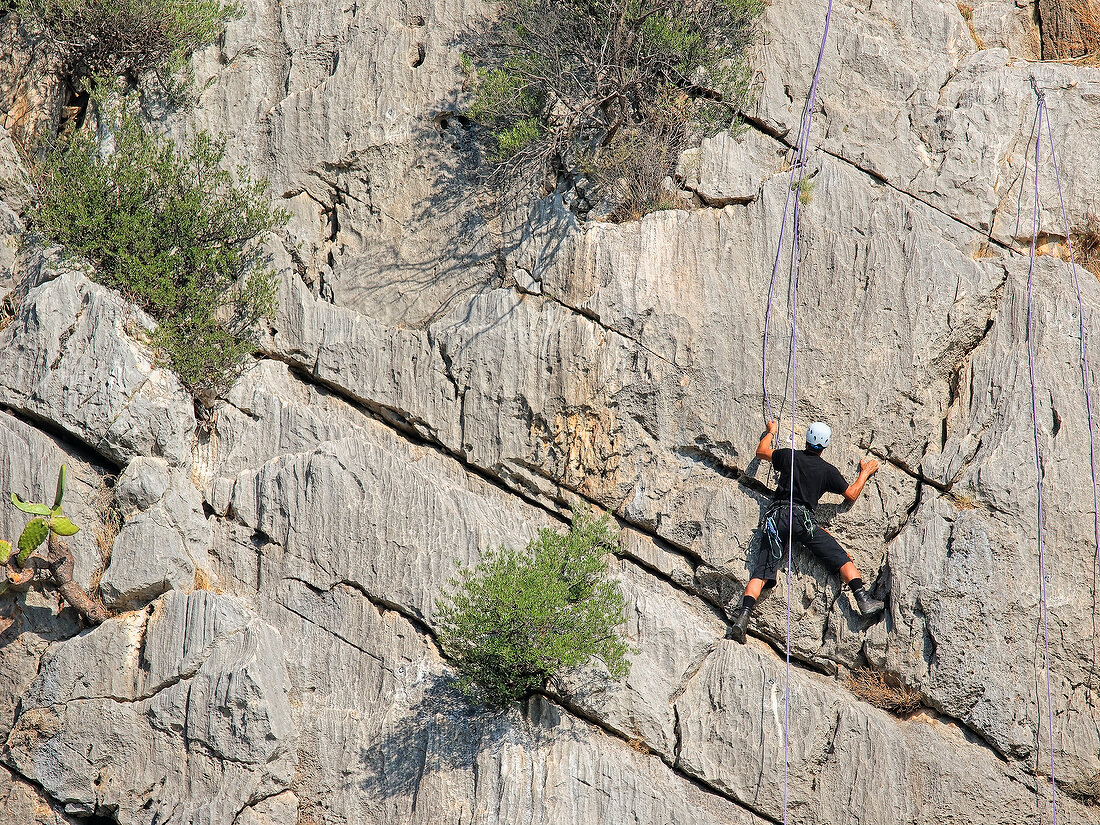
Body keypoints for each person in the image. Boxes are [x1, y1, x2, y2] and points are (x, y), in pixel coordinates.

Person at [730, 420, 885, 644]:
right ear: (825, 445)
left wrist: (771, 432)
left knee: (761, 572)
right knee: (841, 557)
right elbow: (850, 495)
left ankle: (742, 618)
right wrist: (865, 472)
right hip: (803, 521)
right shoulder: (827, 471)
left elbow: (762, 451)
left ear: (807, 439)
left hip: (777, 518)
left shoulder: (788, 456)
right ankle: (862, 598)